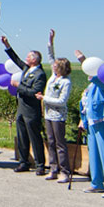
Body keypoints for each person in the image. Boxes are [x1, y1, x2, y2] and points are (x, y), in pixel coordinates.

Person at [75, 49, 104, 198]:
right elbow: (86, 104)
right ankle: (96, 183)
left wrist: (83, 60)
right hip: (91, 122)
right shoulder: (90, 87)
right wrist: (82, 120)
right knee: (94, 154)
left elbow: (94, 74)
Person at [2, 36, 47, 174]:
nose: (26, 59)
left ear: (35, 59)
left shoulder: (40, 74)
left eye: (28, 57)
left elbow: (34, 91)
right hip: (21, 109)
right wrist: (7, 45)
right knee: (22, 137)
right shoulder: (27, 69)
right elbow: (16, 60)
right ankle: (23, 162)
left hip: (31, 110)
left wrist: (18, 86)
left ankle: (40, 165)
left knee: (34, 137)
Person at [36, 30, 72, 182]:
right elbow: (50, 56)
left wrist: (45, 98)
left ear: (61, 68)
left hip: (58, 115)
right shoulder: (53, 76)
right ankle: (53, 168)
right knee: (50, 141)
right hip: (48, 114)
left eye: (56, 66)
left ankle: (65, 171)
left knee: (60, 143)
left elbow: (62, 101)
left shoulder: (66, 81)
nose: (53, 66)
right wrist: (50, 41)